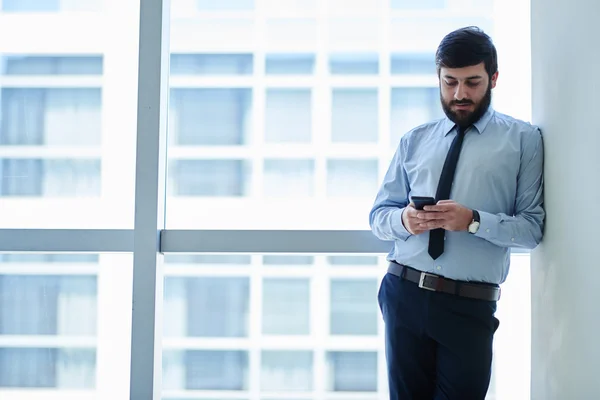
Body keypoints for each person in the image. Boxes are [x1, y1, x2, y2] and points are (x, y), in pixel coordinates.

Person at [369, 26, 544, 400]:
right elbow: (379, 216)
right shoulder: (414, 140)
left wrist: (474, 221)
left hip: (469, 306)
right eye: (449, 82)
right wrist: (404, 221)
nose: (460, 94)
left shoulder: (524, 140)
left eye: (472, 82)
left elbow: (531, 228)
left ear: (493, 78)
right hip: (404, 294)